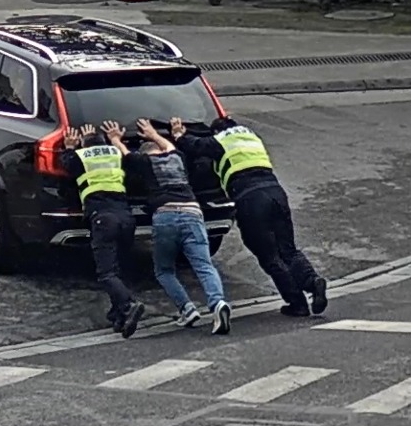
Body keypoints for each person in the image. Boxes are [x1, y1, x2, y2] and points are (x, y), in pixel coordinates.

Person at [171, 116, 328, 317]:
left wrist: (179, 134)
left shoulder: (222, 139)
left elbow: (197, 146)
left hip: (251, 198)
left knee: (268, 255)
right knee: (287, 249)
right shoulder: (251, 137)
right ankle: (312, 282)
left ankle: (297, 303)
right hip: (276, 193)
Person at [101, 118, 232, 335]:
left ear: (145, 153)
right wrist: (153, 133)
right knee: (204, 265)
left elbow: (125, 154)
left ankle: (186, 308)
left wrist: (115, 138)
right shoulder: (178, 157)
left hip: (166, 216)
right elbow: (168, 146)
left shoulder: (143, 162)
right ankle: (218, 303)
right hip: (193, 213)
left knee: (164, 270)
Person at [60, 123, 146, 339]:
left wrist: (70, 146)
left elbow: (67, 166)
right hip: (126, 219)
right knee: (118, 269)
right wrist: (116, 139)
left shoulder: (82, 156)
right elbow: (134, 168)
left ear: (83, 142)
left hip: (103, 219)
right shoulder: (115, 153)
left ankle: (128, 305)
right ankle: (118, 316)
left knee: (106, 273)